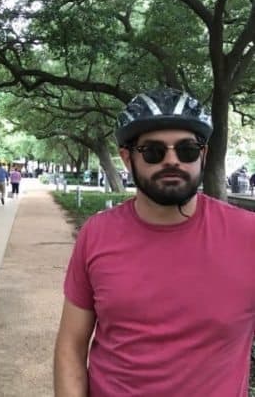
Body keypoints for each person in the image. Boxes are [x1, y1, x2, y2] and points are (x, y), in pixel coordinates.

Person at [54, 88, 255, 396]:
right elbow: (71, 345)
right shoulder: (96, 235)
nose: (172, 161)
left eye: (187, 150)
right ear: (127, 158)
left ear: (203, 155)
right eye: (153, 152)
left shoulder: (248, 235)